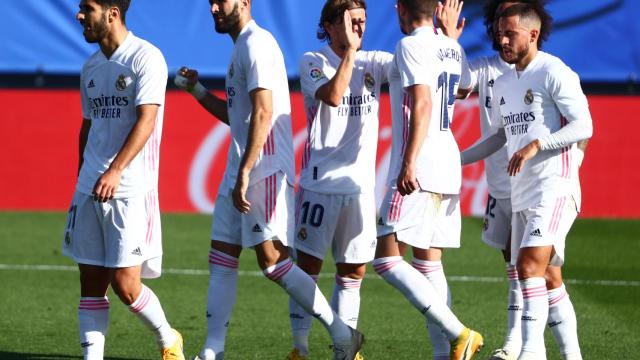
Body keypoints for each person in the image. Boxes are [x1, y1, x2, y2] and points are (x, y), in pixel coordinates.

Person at [173, 1, 363, 359]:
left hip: (265, 165)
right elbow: (238, 117)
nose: (214, 7)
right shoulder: (241, 46)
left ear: (244, 2)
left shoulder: (256, 43)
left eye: (222, 0)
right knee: (222, 257)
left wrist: (246, 171)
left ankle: (342, 333)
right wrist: (197, 90)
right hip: (243, 164)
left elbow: (264, 111)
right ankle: (212, 351)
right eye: (211, 1)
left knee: (274, 262)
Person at [459, 4, 592, 359]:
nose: (502, 40)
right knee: (548, 278)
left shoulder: (554, 72)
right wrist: (455, 160)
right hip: (522, 192)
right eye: (499, 33)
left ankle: (531, 352)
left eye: (510, 34)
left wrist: (538, 144)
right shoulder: (502, 82)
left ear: (532, 35)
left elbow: (584, 126)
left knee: (527, 267)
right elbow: (500, 137)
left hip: (555, 187)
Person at [62, 1, 183, 359]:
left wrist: (115, 170)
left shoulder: (146, 58)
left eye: (88, 8)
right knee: (91, 283)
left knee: (126, 286)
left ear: (112, 13)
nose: (80, 15)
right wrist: (83, 175)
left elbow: (146, 120)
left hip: (130, 189)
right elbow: (88, 125)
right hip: (90, 188)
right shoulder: (91, 67)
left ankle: (168, 338)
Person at [371, 1, 483, 359]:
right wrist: (450, 37)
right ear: (437, 9)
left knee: (386, 260)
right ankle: (445, 354)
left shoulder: (409, 46)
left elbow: (421, 102)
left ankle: (459, 334)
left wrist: (409, 163)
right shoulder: (451, 46)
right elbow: (464, 89)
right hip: (448, 161)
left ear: (400, 9)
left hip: (423, 164)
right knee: (429, 262)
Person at [286, 1, 393, 359]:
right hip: (321, 184)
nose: (358, 29)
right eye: (350, 22)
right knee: (308, 269)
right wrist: (349, 51)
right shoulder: (312, 61)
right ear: (329, 25)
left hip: (360, 188)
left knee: (353, 272)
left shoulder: (375, 62)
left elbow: (415, 74)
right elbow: (332, 96)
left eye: (362, 22)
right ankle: (300, 348)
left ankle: (343, 350)